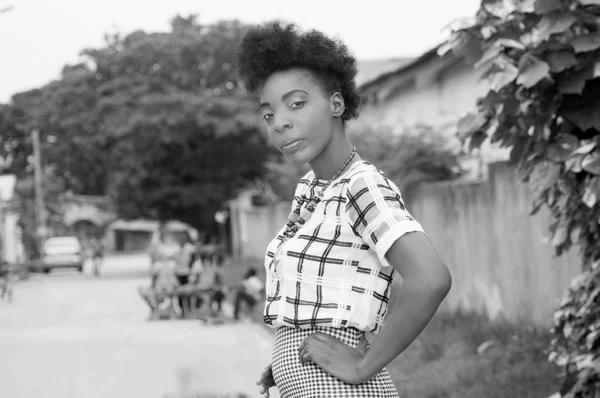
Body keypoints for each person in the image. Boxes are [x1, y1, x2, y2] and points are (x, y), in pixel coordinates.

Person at [237, 23, 452, 398]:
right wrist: (288, 356)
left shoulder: (360, 186)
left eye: (297, 103)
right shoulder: (313, 189)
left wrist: (362, 365)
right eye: (269, 114)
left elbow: (430, 279)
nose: (280, 122)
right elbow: (321, 296)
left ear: (336, 104)